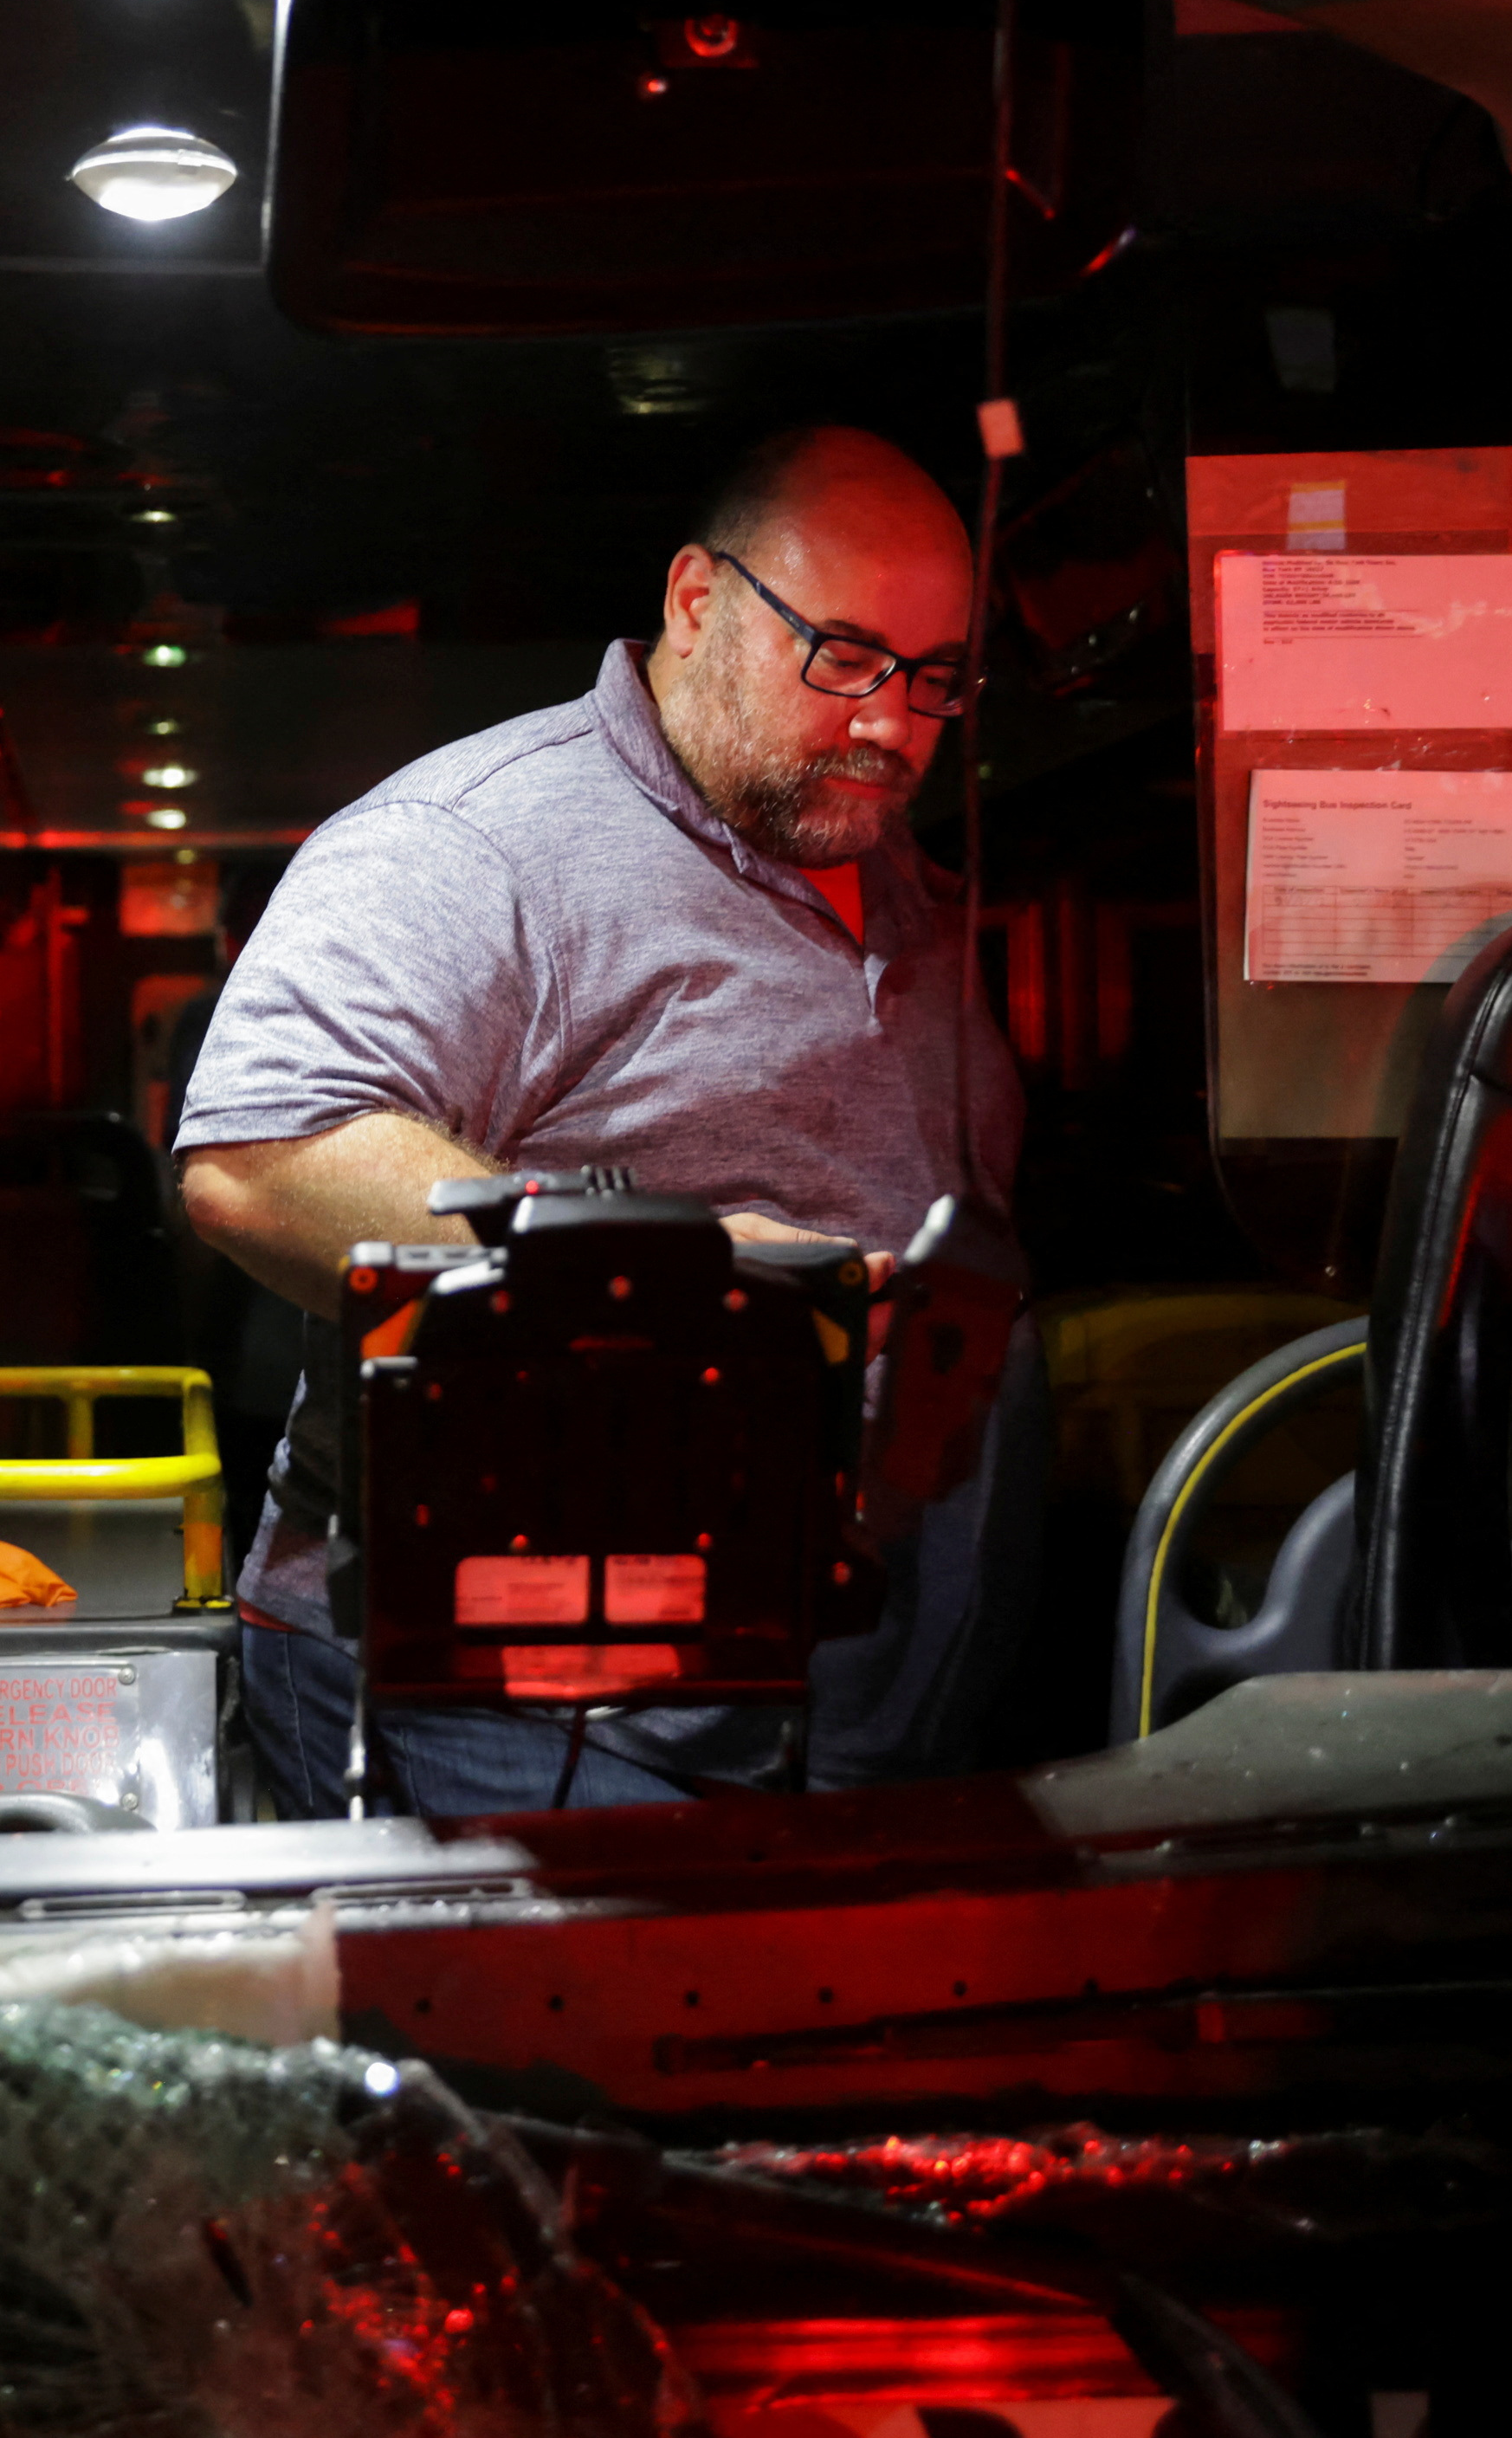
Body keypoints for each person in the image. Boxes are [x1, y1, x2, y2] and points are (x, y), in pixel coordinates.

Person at [173, 424, 1031, 1816]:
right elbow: (260, 1165)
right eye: (848, 656)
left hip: (829, 1695)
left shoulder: (894, 867)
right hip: (512, 1693)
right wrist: (673, 1278)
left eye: (934, 679)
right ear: (698, 601)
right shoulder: (476, 841)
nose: (892, 723)